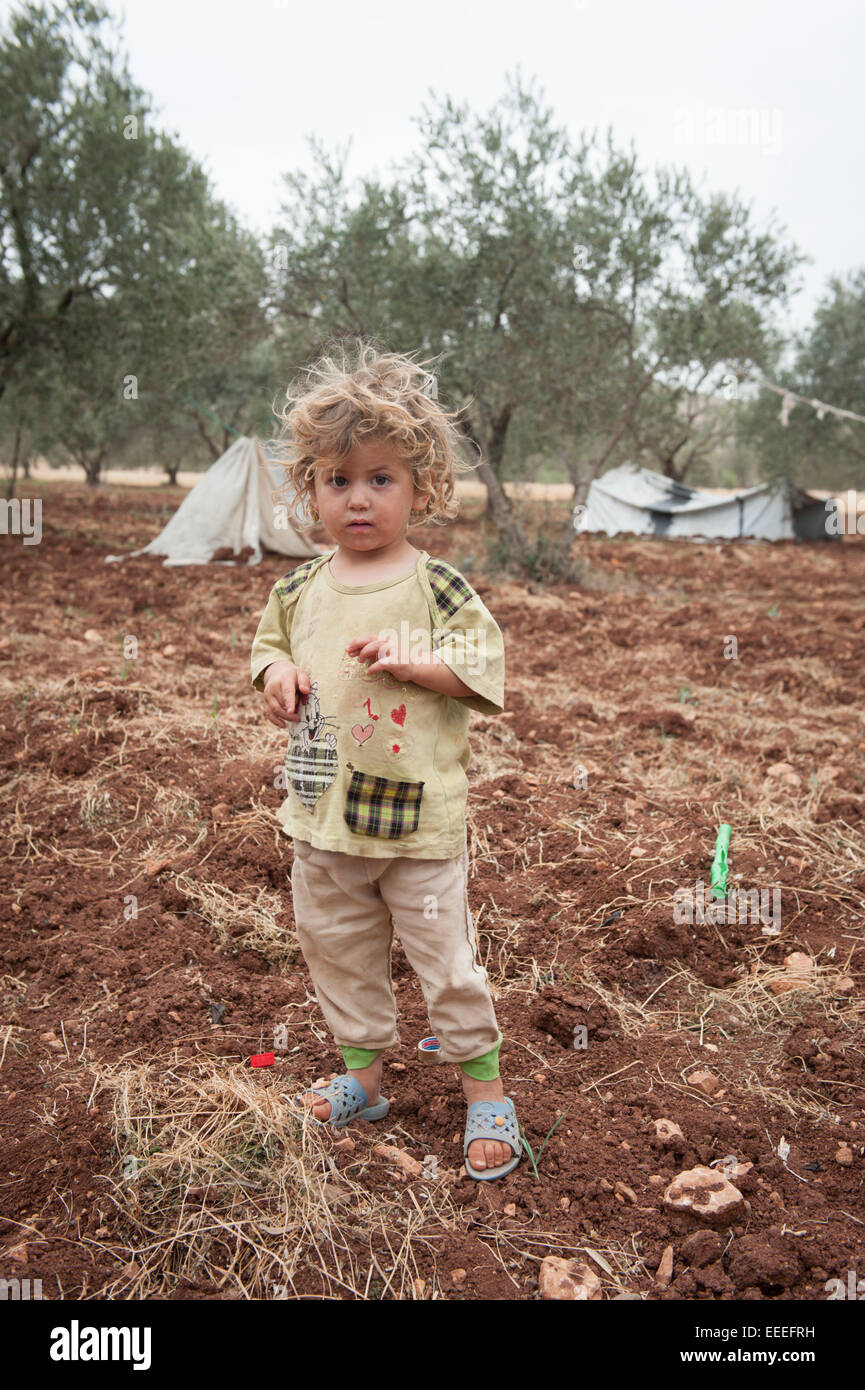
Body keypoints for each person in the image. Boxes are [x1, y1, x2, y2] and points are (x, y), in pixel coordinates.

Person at [250, 343, 520, 1180]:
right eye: (338, 481)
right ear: (310, 490)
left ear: (420, 487)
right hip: (323, 819)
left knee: (446, 965)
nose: (358, 499)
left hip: (417, 825)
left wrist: (416, 665)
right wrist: (279, 676)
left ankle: (485, 1092)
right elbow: (267, 651)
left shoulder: (434, 586)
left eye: (380, 479)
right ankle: (363, 1080)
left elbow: (484, 666)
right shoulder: (298, 590)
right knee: (337, 951)